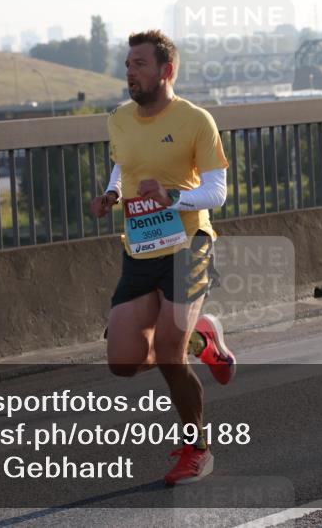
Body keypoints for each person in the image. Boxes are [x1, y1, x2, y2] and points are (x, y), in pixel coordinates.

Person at [90, 29, 235, 486]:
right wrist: (113, 191)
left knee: (169, 352)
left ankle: (197, 450)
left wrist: (172, 196)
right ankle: (201, 337)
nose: (130, 73)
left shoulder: (195, 120)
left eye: (140, 65)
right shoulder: (119, 119)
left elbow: (218, 191)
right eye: (128, 65)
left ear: (166, 71)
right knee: (122, 360)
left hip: (189, 244)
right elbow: (125, 163)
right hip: (141, 246)